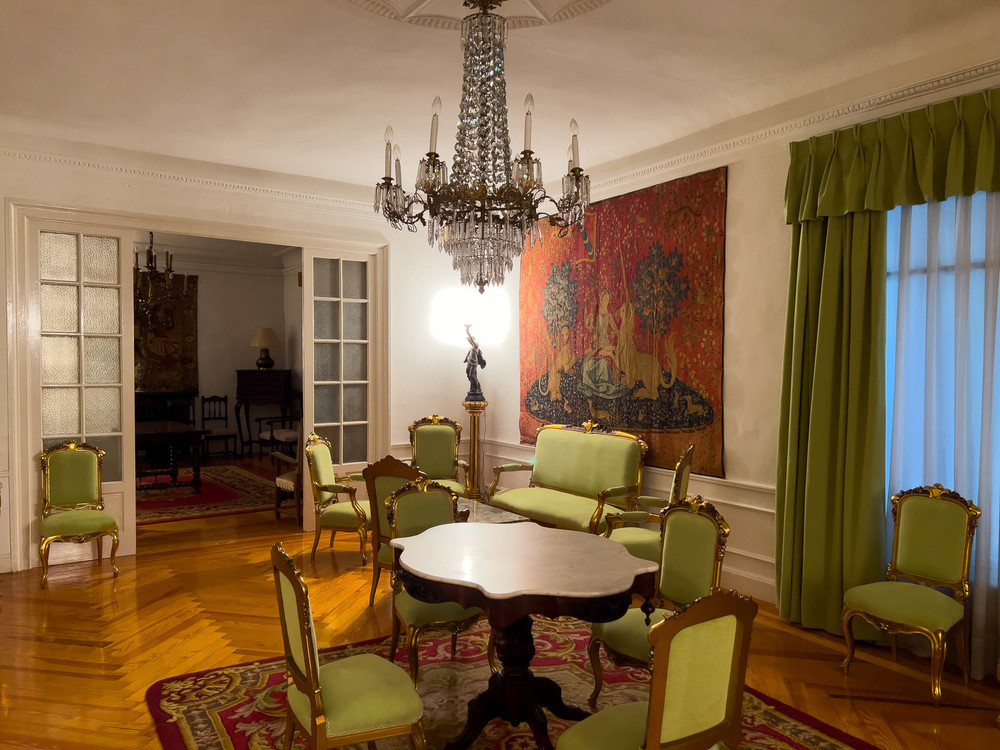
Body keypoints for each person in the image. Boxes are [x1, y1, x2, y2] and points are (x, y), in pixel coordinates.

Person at [464, 324, 487, 401]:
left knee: (472, 375)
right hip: (469, 362)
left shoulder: (476, 345)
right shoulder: (470, 348)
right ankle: (473, 389)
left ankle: (477, 389)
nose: (469, 341)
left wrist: (468, 331)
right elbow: (468, 355)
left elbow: (471, 338)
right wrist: (466, 359)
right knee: (469, 375)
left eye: (470, 340)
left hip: (473, 362)